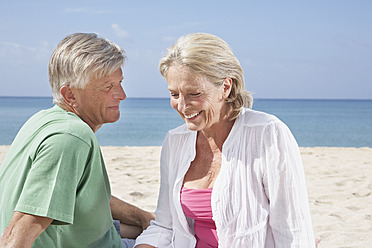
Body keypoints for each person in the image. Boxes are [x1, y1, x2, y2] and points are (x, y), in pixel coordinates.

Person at [135, 33, 316, 247]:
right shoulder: (175, 141)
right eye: (174, 94)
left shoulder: (268, 133)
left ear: (226, 87)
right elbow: (166, 224)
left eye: (194, 94)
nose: (182, 107)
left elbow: (293, 233)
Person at [0, 33, 155, 248]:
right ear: (70, 95)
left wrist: (143, 217)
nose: (122, 94)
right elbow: (24, 225)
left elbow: (76, 194)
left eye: (119, 82)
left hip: (82, 233)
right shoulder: (70, 137)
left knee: (163, 227)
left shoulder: (42, 119)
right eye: (108, 86)